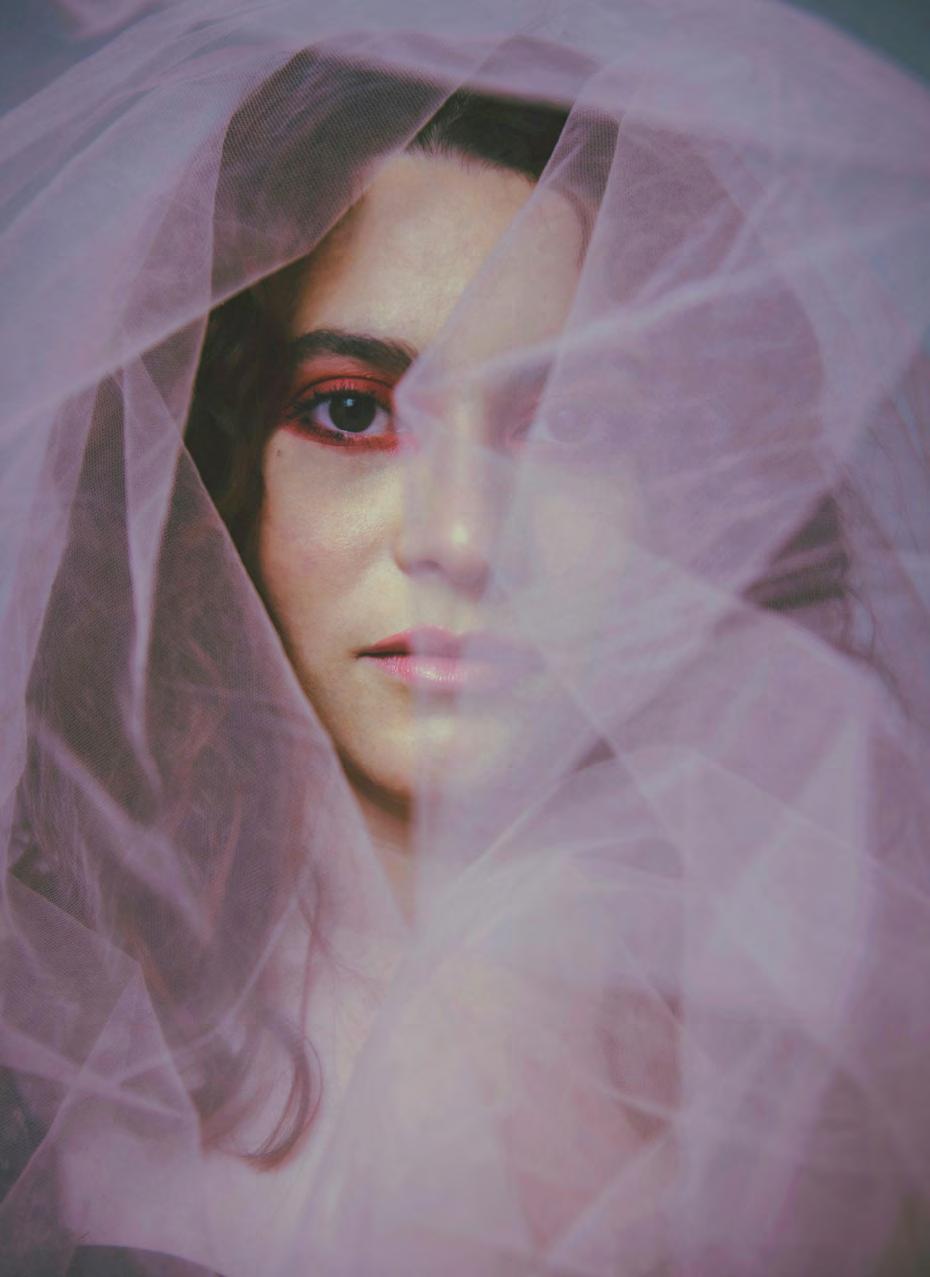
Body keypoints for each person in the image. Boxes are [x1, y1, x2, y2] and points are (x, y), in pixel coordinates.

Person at [2, 4, 930, 1275]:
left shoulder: (827, 1013)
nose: (462, 536)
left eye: (568, 422)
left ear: (691, 493)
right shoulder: (44, 1055)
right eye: (349, 411)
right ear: (215, 466)